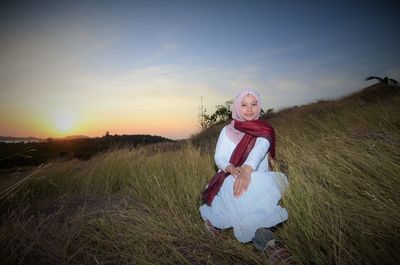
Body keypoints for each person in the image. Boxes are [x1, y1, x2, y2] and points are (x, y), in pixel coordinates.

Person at [199, 88, 288, 251]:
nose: (249, 109)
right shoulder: (227, 131)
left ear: (259, 106)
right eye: (244, 105)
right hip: (230, 176)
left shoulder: (264, 129)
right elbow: (219, 157)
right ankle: (269, 245)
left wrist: (247, 170)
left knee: (251, 199)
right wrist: (231, 168)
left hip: (258, 178)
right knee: (240, 196)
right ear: (237, 107)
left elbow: (260, 149)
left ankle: (266, 243)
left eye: (254, 104)